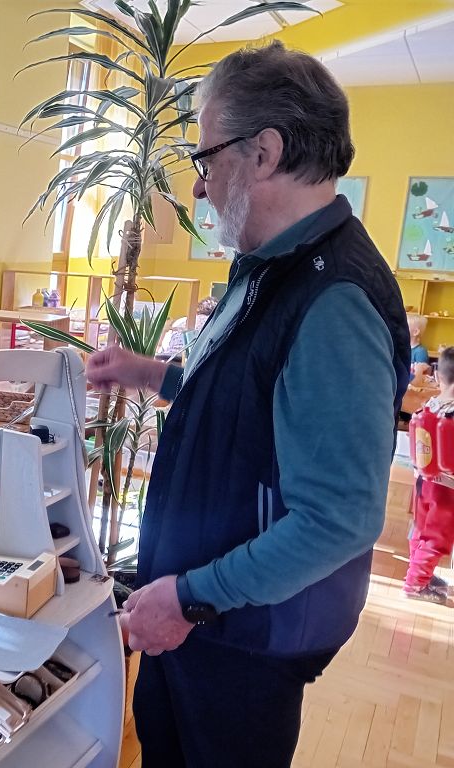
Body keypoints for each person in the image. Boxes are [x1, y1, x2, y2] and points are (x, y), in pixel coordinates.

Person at [86, 41, 410, 767]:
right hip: (199, 621)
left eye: (205, 158)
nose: (199, 187)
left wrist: (191, 598)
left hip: (240, 643)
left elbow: (338, 519)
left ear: (263, 153)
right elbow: (251, 404)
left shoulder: (333, 301)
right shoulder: (267, 267)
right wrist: (150, 373)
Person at [403, 346, 454, 604]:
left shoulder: (430, 405)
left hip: (423, 483)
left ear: (439, 376)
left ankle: (421, 574)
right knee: (436, 537)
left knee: (421, 529)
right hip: (447, 490)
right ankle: (415, 584)